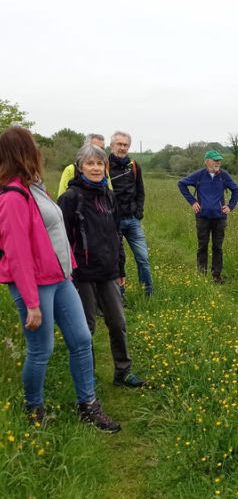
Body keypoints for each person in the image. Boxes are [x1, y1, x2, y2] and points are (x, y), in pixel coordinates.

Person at [0, 127, 120, 432]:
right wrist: (31, 303)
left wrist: (69, 267)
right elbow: (17, 254)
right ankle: (34, 410)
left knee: (82, 340)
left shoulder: (34, 187)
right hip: (35, 285)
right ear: (23, 152)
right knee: (42, 350)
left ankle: (88, 405)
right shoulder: (13, 196)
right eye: (33, 146)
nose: (39, 152)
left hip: (60, 278)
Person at [58, 143, 147, 388]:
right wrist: (68, 275)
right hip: (82, 274)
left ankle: (123, 372)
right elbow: (62, 239)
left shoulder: (109, 196)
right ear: (80, 167)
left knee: (118, 324)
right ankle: (88, 379)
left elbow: (116, 234)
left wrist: (121, 268)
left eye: (100, 163)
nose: (96, 168)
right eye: (90, 163)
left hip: (109, 272)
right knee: (86, 328)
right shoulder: (70, 198)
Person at [178, 150, 238, 283]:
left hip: (220, 218)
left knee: (218, 247)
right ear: (207, 161)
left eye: (219, 160)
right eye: (215, 160)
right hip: (202, 217)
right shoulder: (199, 175)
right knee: (202, 246)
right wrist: (193, 202)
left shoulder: (224, 176)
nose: (218, 162)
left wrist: (230, 206)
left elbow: (236, 189)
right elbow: (181, 183)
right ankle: (201, 275)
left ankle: (216, 275)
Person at [108, 131, 153, 296]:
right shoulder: (104, 166)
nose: (122, 148)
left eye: (125, 145)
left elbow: (140, 191)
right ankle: (119, 296)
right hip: (114, 221)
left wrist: (139, 211)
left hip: (133, 220)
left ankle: (148, 293)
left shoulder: (134, 166)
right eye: (119, 144)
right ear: (112, 146)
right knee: (117, 261)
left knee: (143, 258)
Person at [57, 134, 112, 198]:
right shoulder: (71, 169)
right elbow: (62, 195)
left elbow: (110, 192)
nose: (98, 151)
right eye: (94, 147)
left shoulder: (104, 171)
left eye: (102, 149)